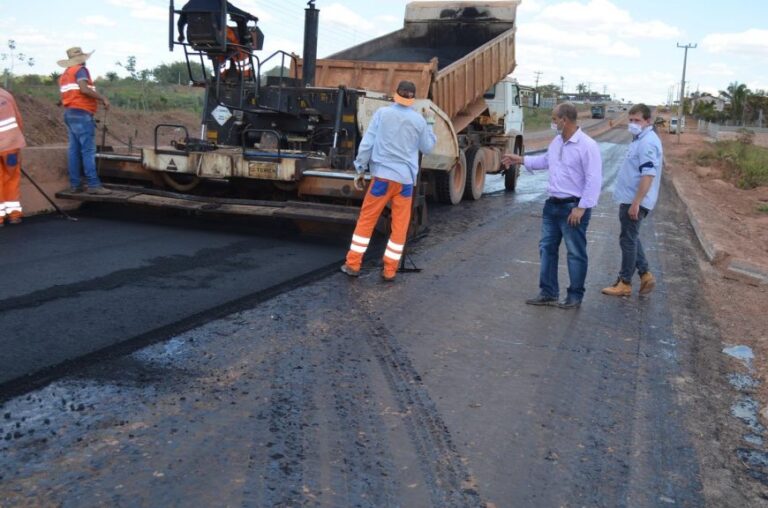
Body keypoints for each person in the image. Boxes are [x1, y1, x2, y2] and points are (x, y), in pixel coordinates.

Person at [502, 102, 602, 309]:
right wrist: (520, 160)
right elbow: (546, 161)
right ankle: (548, 293)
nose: (552, 122)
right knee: (547, 249)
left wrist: (581, 208)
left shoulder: (587, 146)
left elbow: (594, 180)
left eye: (554, 119)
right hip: (552, 206)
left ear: (564, 120)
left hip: (573, 208)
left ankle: (575, 296)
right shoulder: (556, 142)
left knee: (575, 252)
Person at [340, 80, 436, 282]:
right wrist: (430, 124)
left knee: (367, 221)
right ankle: (390, 270)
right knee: (400, 226)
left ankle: (353, 264)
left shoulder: (382, 114)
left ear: (396, 95)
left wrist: (360, 168)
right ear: (413, 98)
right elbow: (427, 148)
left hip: (382, 178)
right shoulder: (419, 121)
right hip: (405, 183)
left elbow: (367, 143)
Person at [601, 103, 663, 297]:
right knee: (631, 237)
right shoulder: (640, 139)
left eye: (637, 120)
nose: (633, 123)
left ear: (648, 121)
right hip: (631, 198)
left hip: (635, 200)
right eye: (631, 120)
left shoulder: (647, 142)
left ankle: (625, 282)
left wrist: (636, 202)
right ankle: (645, 275)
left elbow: (648, 174)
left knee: (627, 240)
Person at [57, 47, 111, 194]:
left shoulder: (65, 75)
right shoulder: (80, 70)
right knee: (88, 151)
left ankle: (75, 185)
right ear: (81, 60)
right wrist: (103, 98)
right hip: (82, 113)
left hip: (70, 113)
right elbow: (84, 89)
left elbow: (66, 96)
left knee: (74, 150)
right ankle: (94, 185)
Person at [0, 86, 26, 226]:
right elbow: (18, 120)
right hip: (11, 146)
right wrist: (18, 143)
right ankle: (14, 215)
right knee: (12, 178)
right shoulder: (7, 95)